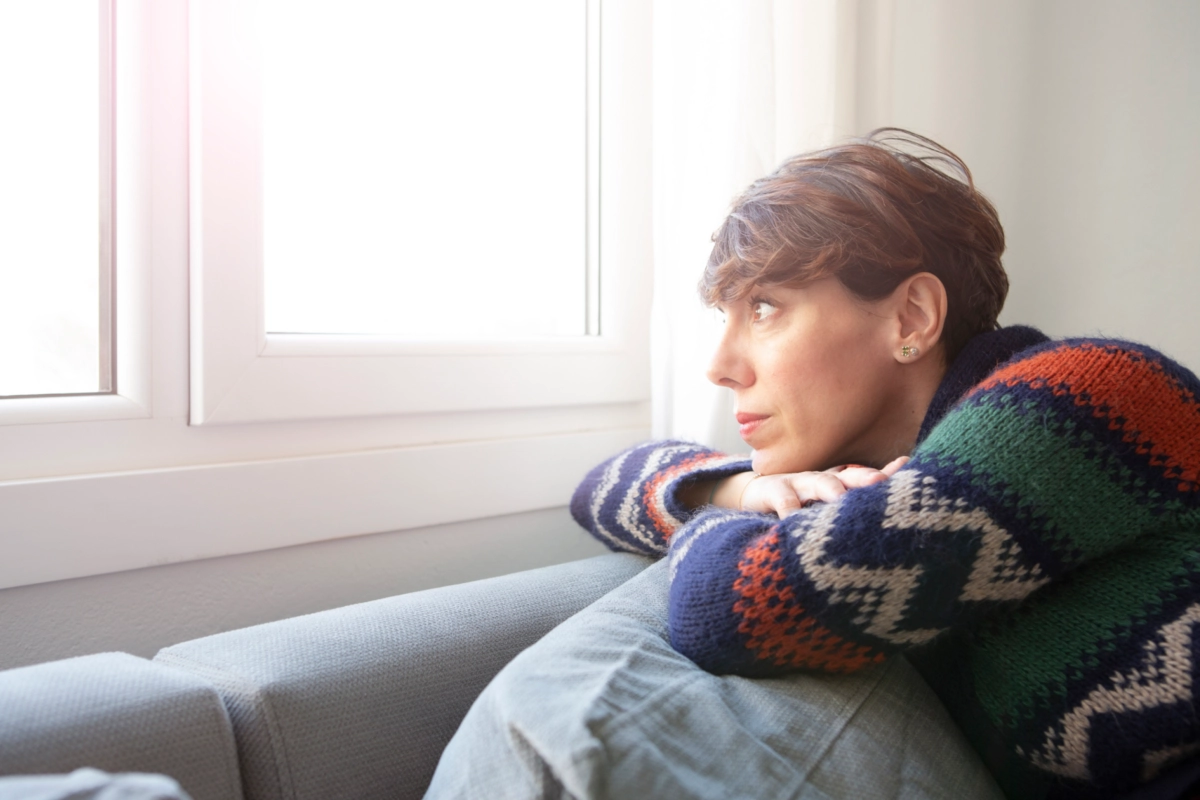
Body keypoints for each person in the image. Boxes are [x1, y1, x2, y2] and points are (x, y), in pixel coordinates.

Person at [427, 131, 1200, 800]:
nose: (722, 365)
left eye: (763, 308)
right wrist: (740, 487)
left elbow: (734, 611)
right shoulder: (888, 477)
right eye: (724, 317)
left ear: (910, 318)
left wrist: (719, 521)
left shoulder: (1089, 398)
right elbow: (603, 486)